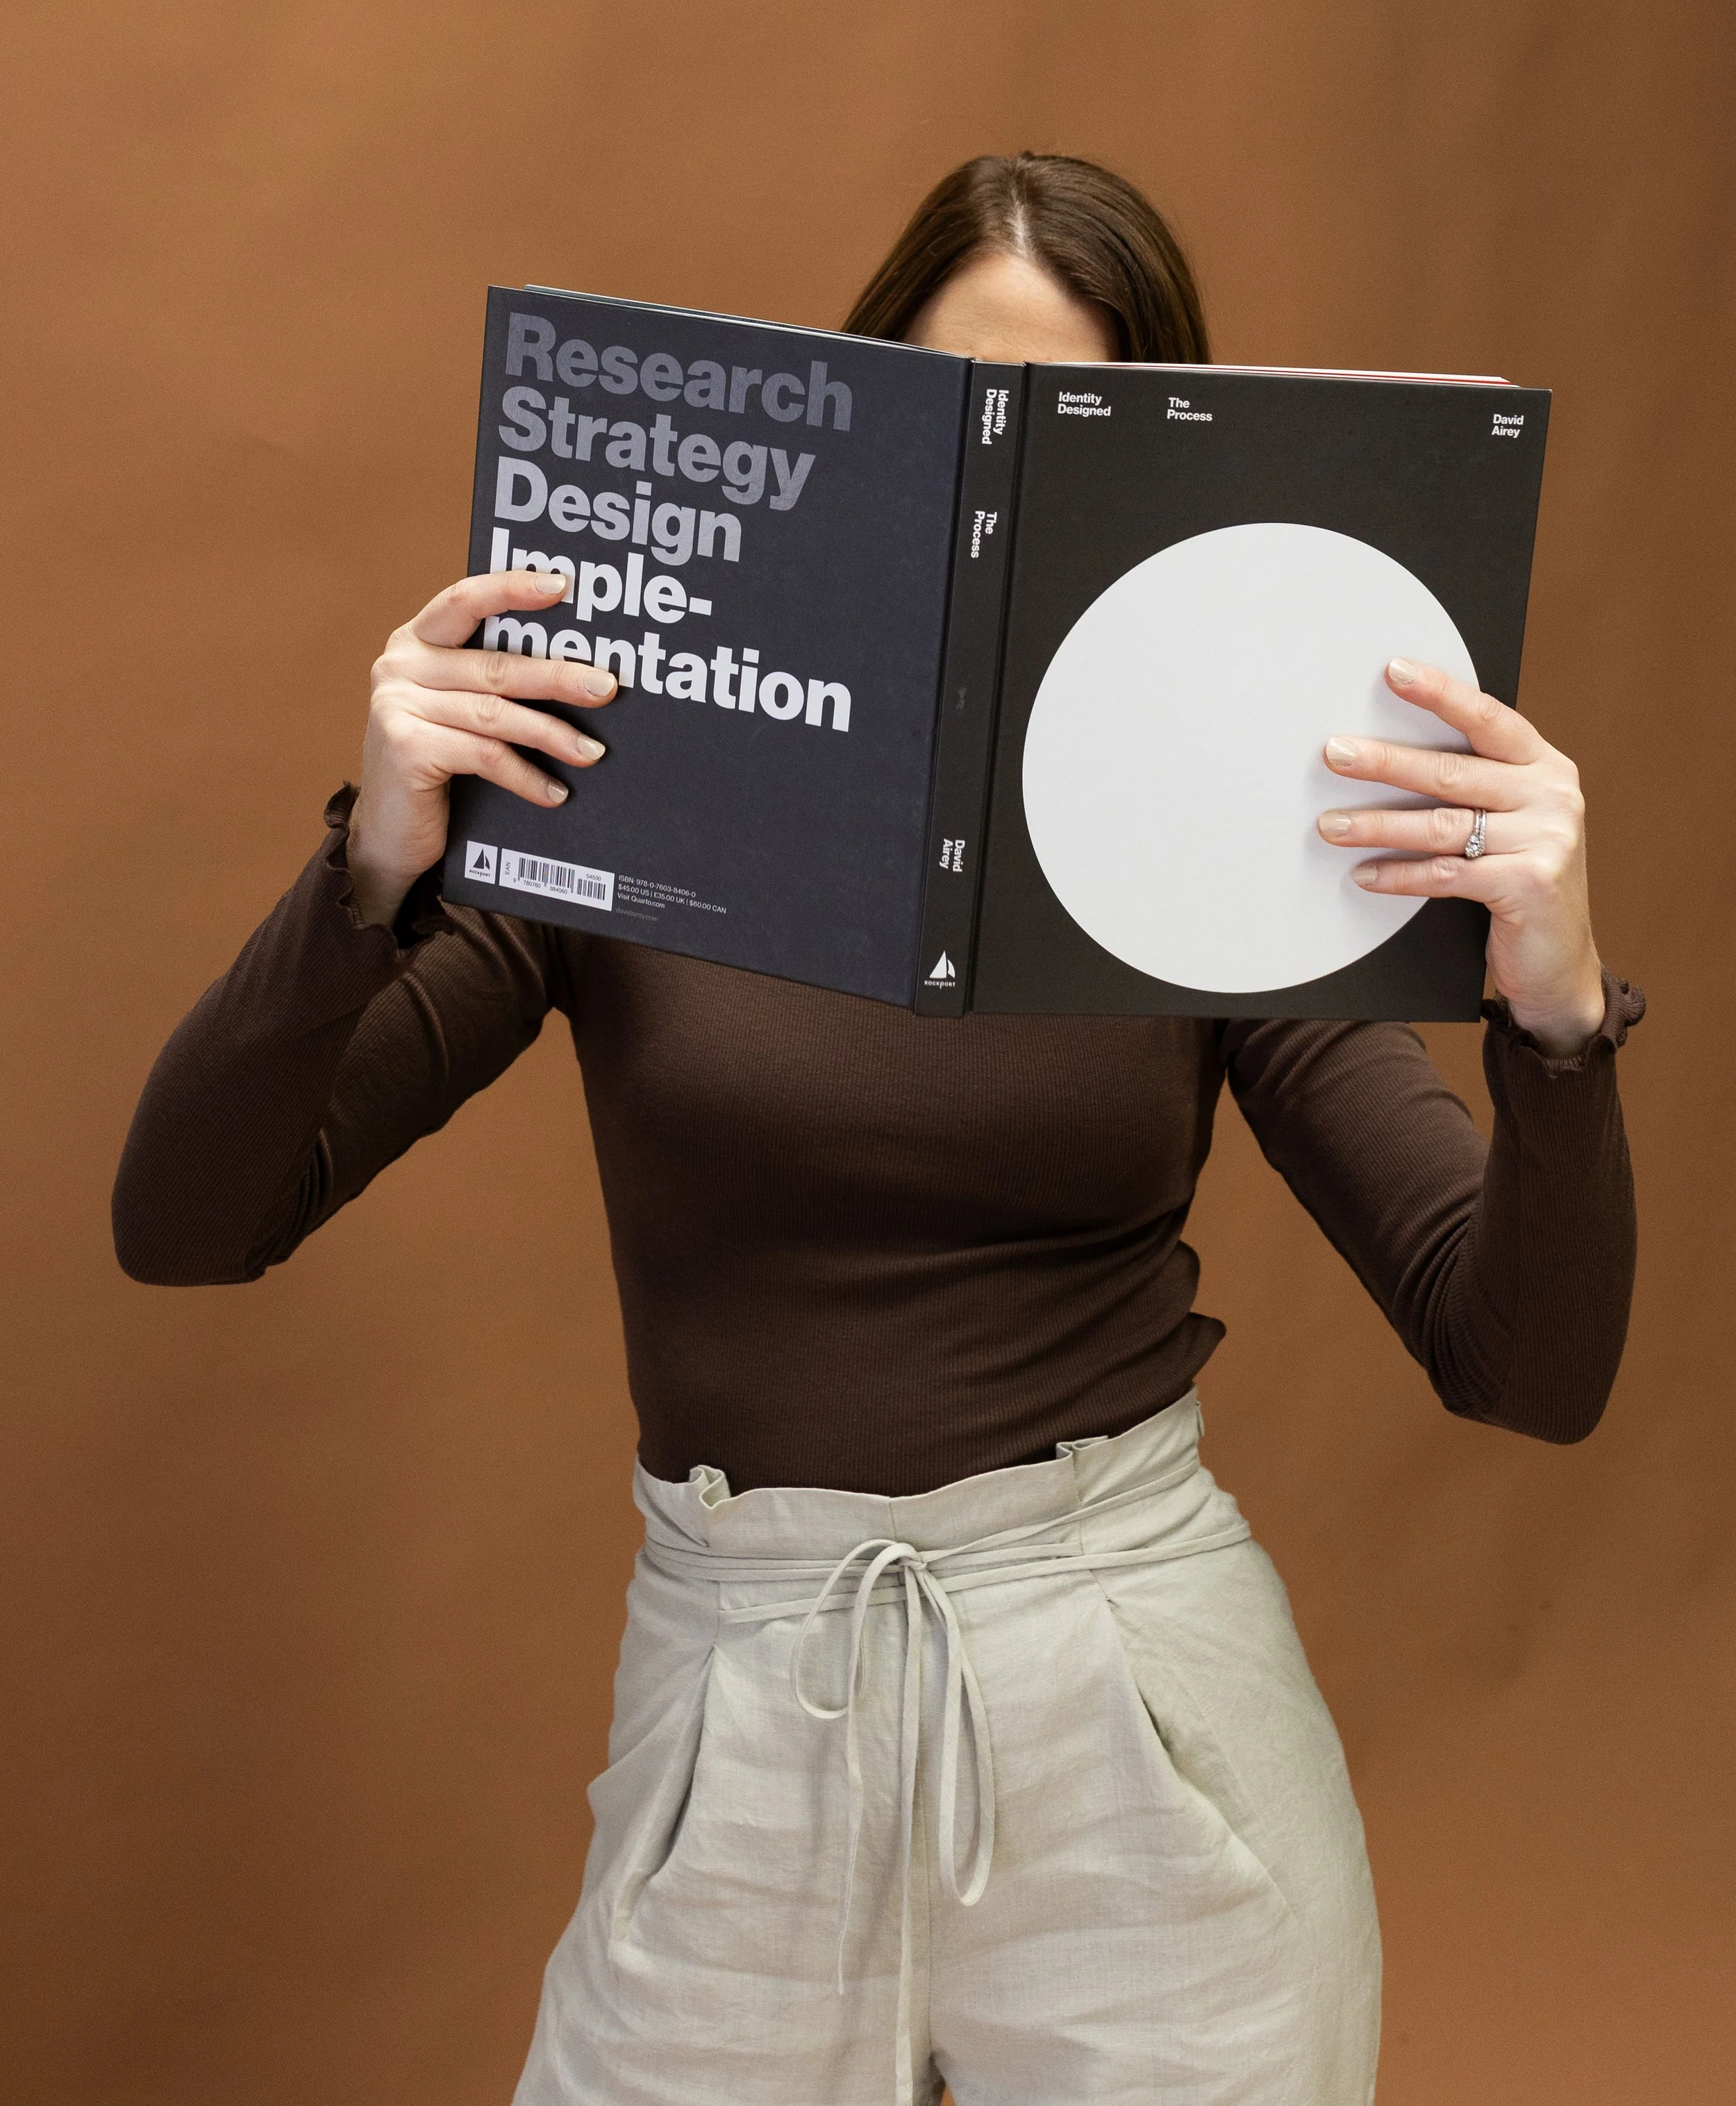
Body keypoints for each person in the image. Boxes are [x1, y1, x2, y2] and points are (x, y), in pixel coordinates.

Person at [114, 154, 1642, 2106]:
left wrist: (1554, 1015)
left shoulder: (1204, 845)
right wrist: (377, 859)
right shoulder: (633, 781)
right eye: (944, 409)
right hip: (737, 1710)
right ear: (854, 417)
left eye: (1052, 438)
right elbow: (187, 1216)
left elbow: (1529, 1361)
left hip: (1138, 1732)